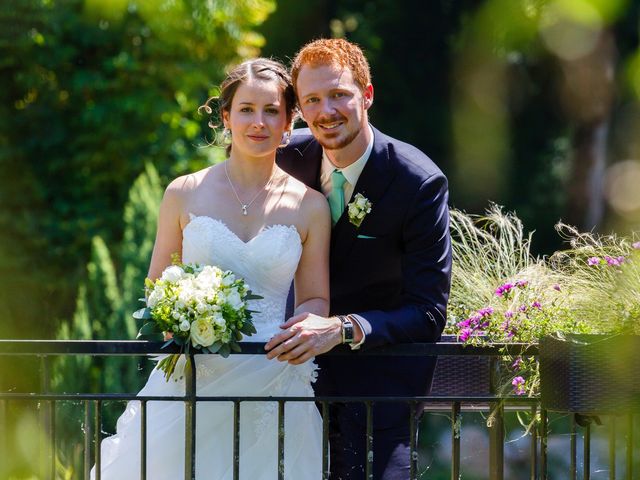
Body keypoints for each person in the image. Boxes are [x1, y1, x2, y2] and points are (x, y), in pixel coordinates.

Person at [92, 58, 331, 480]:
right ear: (225, 116)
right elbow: (157, 284)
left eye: (272, 111)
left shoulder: (310, 205)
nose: (259, 122)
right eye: (246, 109)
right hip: (194, 376)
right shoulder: (183, 193)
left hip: (273, 375)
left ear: (289, 120)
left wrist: (305, 328)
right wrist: (176, 317)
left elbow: (315, 296)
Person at [267, 39, 452, 479]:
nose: (326, 111)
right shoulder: (283, 157)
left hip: (379, 397)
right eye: (312, 99)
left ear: (367, 94)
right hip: (289, 384)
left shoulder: (417, 182)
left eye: (339, 95)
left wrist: (344, 329)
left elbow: (428, 311)